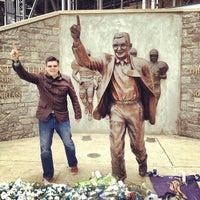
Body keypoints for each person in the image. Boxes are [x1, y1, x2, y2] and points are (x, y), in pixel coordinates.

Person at [70, 16, 156, 180]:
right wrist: (77, 40)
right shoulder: (105, 61)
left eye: (123, 45)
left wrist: (149, 110)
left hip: (135, 108)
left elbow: (150, 90)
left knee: (137, 145)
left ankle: (142, 159)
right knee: (116, 147)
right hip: (116, 108)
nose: (119, 48)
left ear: (129, 46)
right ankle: (119, 177)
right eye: (115, 45)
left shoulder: (142, 64)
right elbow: (85, 62)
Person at [10, 44, 82, 184]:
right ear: (46, 67)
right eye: (49, 66)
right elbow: (24, 75)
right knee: (45, 149)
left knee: (69, 144)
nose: (52, 68)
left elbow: (74, 97)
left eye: (54, 66)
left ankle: (73, 163)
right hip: (45, 118)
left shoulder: (67, 80)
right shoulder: (40, 79)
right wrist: (16, 62)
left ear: (58, 66)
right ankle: (48, 175)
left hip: (62, 118)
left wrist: (77, 114)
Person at [71, 49, 102, 121]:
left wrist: (97, 82)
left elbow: (98, 75)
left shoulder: (92, 65)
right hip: (82, 84)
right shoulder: (78, 64)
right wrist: (78, 81)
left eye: (87, 56)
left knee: (90, 100)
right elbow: (73, 74)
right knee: (83, 100)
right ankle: (86, 106)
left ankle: (90, 113)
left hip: (90, 84)